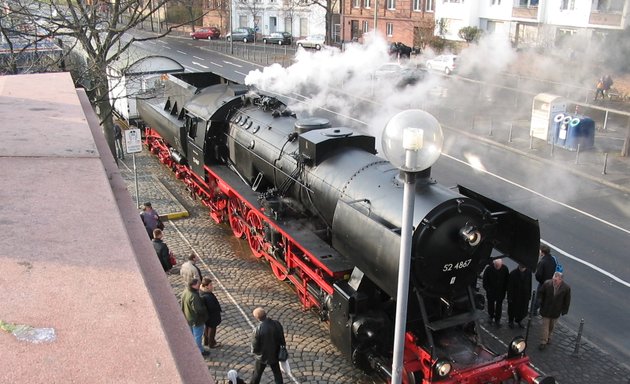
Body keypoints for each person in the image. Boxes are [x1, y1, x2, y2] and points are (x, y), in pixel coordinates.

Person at [250, 307, 285, 384]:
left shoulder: (257, 330)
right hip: (275, 354)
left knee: (257, 374)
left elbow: (255, 346)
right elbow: (281, 338)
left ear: (257, 318)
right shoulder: (276, 323)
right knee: (277, 374)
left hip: (262, 356)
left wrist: (256, 353)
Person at [538, 272, 571, 350]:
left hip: (556, 311)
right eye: (553, 279)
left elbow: (567, 300)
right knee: (545, 326)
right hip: (546, 309)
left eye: (556, 280)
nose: (554, 281)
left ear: (561, 280)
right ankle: (543, 341)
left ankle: (549, 337)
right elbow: (541, 293)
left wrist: (564, 310)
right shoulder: (547, 284)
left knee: (551, 326)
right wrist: (540, 301)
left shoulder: (566, 288)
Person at [181, 278, 209, 356]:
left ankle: (192, 348)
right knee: (198, 336)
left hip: (188, 317)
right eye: (198, 284)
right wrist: (205, 310)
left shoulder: (186, 291)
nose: (199, 285)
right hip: (196, 320)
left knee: (192, 335)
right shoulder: (194, 296)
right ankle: (199, 351)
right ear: (193, 285)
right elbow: (199, 309)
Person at [482, 259, 509, 325]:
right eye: (496, 266)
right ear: (494, 264)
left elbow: (507, 280)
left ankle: (497, 319)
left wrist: (505, 289)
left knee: (499, 305)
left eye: (498, 266)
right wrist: (488, 289)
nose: (497, 267)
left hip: (500, 291)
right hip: (491, 291)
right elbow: (485, 280)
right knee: (490, 304)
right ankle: (491, 316)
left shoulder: (505, 269)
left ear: (501, 264)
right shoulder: (488, 269)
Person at [533, 244, 557, 315]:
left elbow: (538, 275)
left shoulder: (542, 262)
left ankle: (534, 311)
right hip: (550, 283)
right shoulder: (553, 259)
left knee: (538, 297)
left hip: (543, 283)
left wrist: (540, 280)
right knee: (545, 298)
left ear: (543, 252)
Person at [507, 264, 532, 328]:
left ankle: (519, 320)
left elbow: (529, 284)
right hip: (515, 296)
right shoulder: (513, 273)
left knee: (522, 310)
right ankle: (511, 321)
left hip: (524, 296)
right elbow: (510, 287)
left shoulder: (529, 272)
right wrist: (509, 297)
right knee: (512, 310)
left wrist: (529, 295)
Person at [200, 277, 222, 349]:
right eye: (210, 285)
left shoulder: (203, 293)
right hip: (212, 316)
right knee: (212, 329)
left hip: (208, 316)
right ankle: (211, 343)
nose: (212, 286)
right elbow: (212, 307)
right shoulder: (207, 296)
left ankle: (206, 341)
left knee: (207, 328)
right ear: (206, 286)